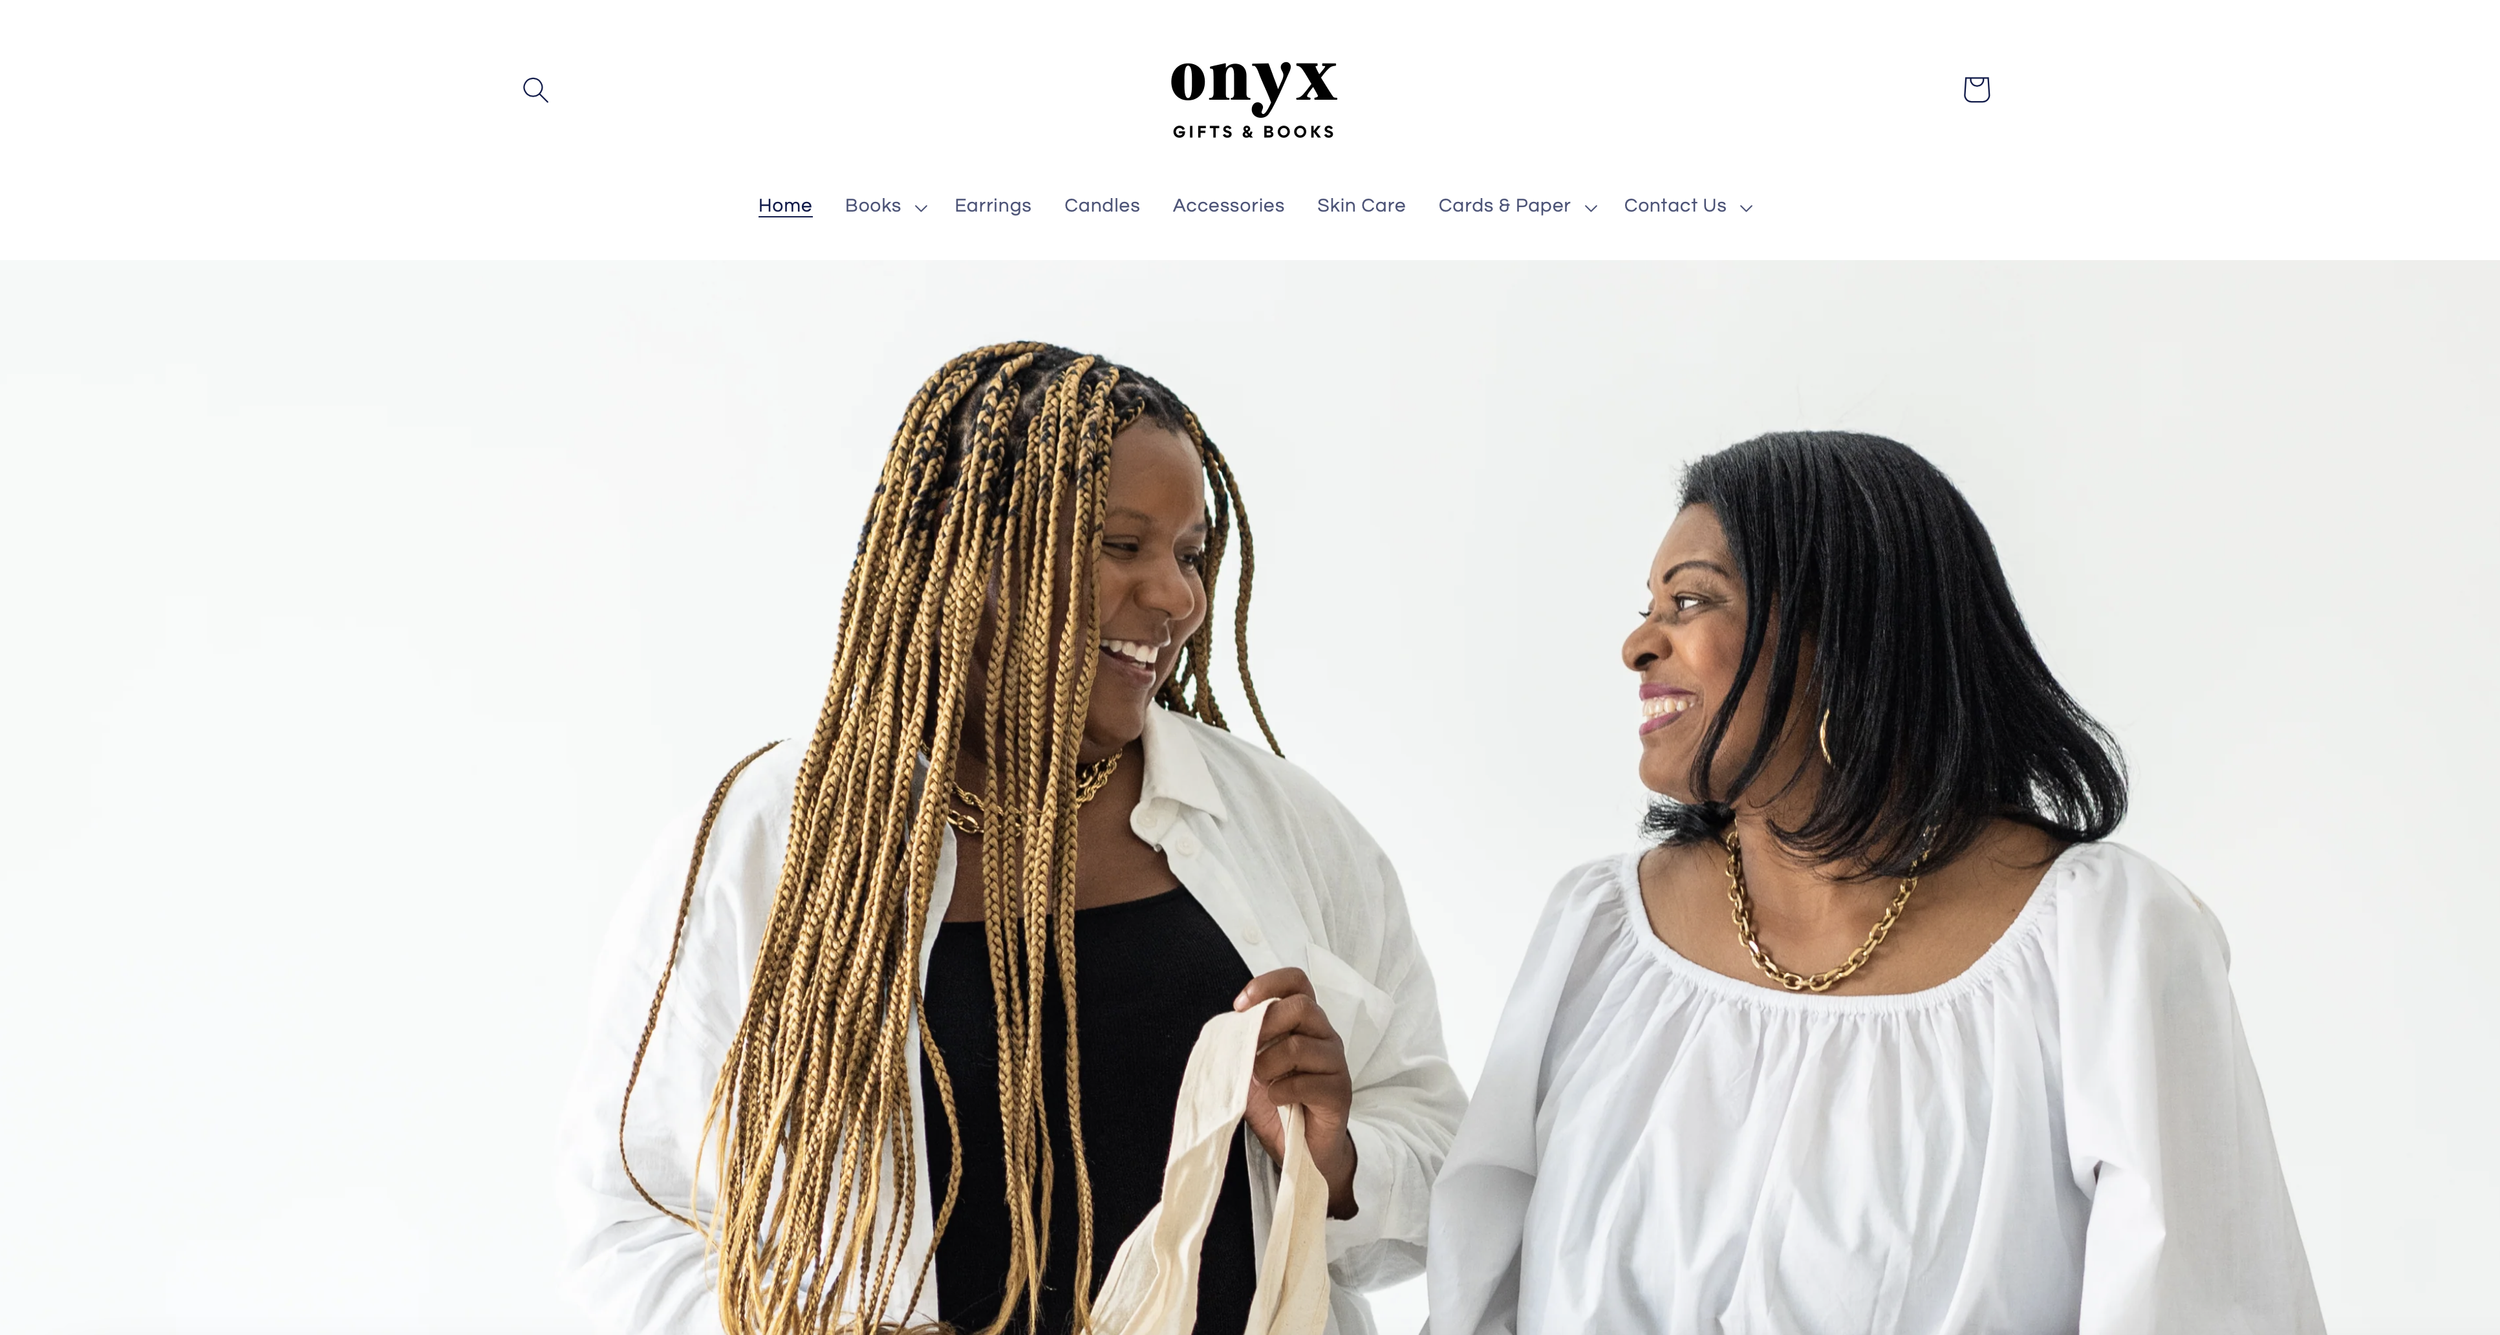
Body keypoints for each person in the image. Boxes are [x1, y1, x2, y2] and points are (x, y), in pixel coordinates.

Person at [560, 344, 1464, 1335]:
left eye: (1191, 553)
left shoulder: (1286, 829)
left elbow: (1433, 1186)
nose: (1177, 597)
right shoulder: (772, 840)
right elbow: (636, 1224)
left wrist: (1331, 1159)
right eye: (1125, 545)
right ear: (970, 557)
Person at [1427, 431, 2323, 1333]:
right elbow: (1479, 1296)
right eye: (1651, 603)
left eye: (1691, 600)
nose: (1637, 643)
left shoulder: (2102, 942)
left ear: (1845, 634)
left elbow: (2209, 1304)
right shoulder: (1600, 936)